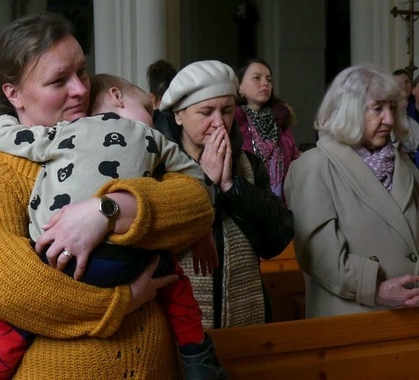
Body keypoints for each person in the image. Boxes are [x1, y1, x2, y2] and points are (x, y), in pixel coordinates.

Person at [0, 12, 216, 379]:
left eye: (82, 71)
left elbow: (196, 206)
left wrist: (108, 210)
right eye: (58, 80)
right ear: (13, 94)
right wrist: (122, 299)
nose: (79, 89)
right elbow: (5, 288)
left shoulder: (121, 139)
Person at [159, 60, 294, 329]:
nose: (219, 123)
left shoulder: (250, 166)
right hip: (178, 322)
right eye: (206, 112)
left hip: (246, 314)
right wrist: (207, 181)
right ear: (178, 115)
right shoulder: (159, 168)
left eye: (227, 110)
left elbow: (274, 240)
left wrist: (231, 185)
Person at [284, 65, 419, 318]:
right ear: (349, 111)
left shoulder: (405, 165)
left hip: (412, 313)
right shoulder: (314, 166)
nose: (389, 119)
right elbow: (319, 256)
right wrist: (375, 288)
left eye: (391, 107)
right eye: (378, 108)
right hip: (353, 317)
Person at [234, 58, 300, 199]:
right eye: (256, 78)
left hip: (282, 202)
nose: (265, 83)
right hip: (248, 200)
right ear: (239, 87)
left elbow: (293, 159)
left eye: (268, 80)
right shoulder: (233, 123)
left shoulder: (281, 122)